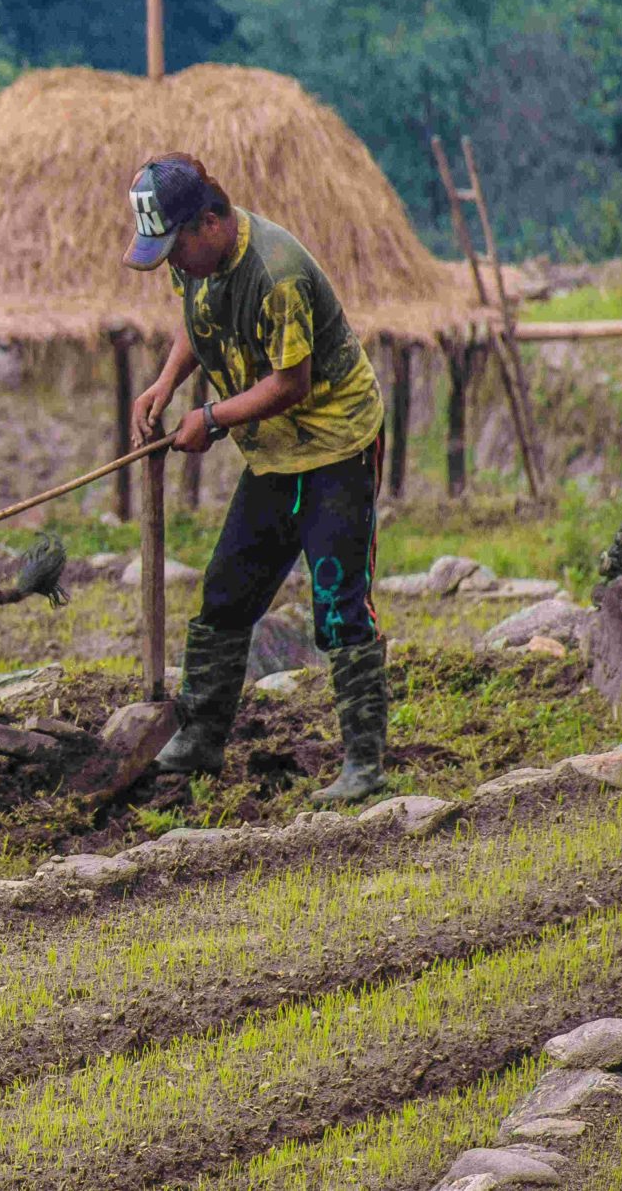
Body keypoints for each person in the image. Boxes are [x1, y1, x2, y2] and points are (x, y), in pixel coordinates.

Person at [122, 153, 390, 804]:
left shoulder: (277, 271)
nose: (174, 266)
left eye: (176, 249)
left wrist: (209, 418)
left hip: (333, 447)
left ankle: (364, 763)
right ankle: (201, 736)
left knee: (336, 601)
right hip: (273, 453)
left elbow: (290, 383)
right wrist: (165, 382)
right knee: (225, 592)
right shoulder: (197, 264)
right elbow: (200, 321)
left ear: (210, 221)